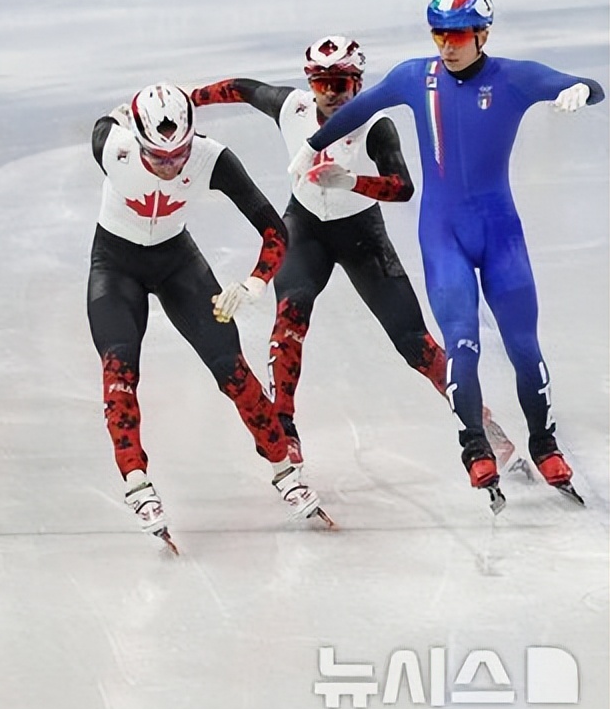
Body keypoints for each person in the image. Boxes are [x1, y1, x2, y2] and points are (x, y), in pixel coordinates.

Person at [289, 0, 603, 510]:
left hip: (500, 235)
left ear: (483, 35)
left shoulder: (514, 77)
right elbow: (361, 106)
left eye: (456, 36)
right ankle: (475, 446)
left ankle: (544, 443)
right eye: (438, 35)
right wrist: (312, 145)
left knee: (524, 347)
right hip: (443, 236)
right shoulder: (416, 77)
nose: (446, 46)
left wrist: (580, 90)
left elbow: (588, 86)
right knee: (462, 344)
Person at [188, 35, 489, 466]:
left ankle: (479, 421)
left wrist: (352, 182)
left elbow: (403, 187)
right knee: (289, 321)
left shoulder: (375, 125)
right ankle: (284, 426)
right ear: (309, 83)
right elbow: (242, 89)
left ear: (358, 83)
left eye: (341, 84)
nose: (331, 93)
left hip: (361, 234)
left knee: (414, 343)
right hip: (305, 227)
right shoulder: (292, 108)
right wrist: (188, 99)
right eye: (321, 83)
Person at [88, 82, 333, 549]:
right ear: (136, 141)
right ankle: (137, 483)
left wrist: (255, 282)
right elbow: (104, 125)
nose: (170, 167)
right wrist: (119, 120)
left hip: (177, 262)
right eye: (157, 158)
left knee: (232, 369)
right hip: (115, 266)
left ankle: (285, 470)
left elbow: (274, 230)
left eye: (179, 156)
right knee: (119, 372)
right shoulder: (112, 146)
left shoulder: (212, 159)